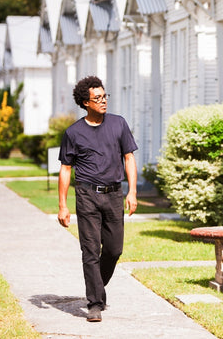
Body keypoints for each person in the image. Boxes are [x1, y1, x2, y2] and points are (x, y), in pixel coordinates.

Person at [57, 76, 138, 322]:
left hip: (114, 194)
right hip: (87, 195)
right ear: (85, 103)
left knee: (114, 249)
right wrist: (62, 206)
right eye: (98, 98)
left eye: (105, 96)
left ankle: (97, 288)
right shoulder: (73, 133)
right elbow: (65, 170)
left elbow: (129, 158)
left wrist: (132, 191)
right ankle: (94, 303)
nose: (103, 101)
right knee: (90, 250)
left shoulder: (118, 124)